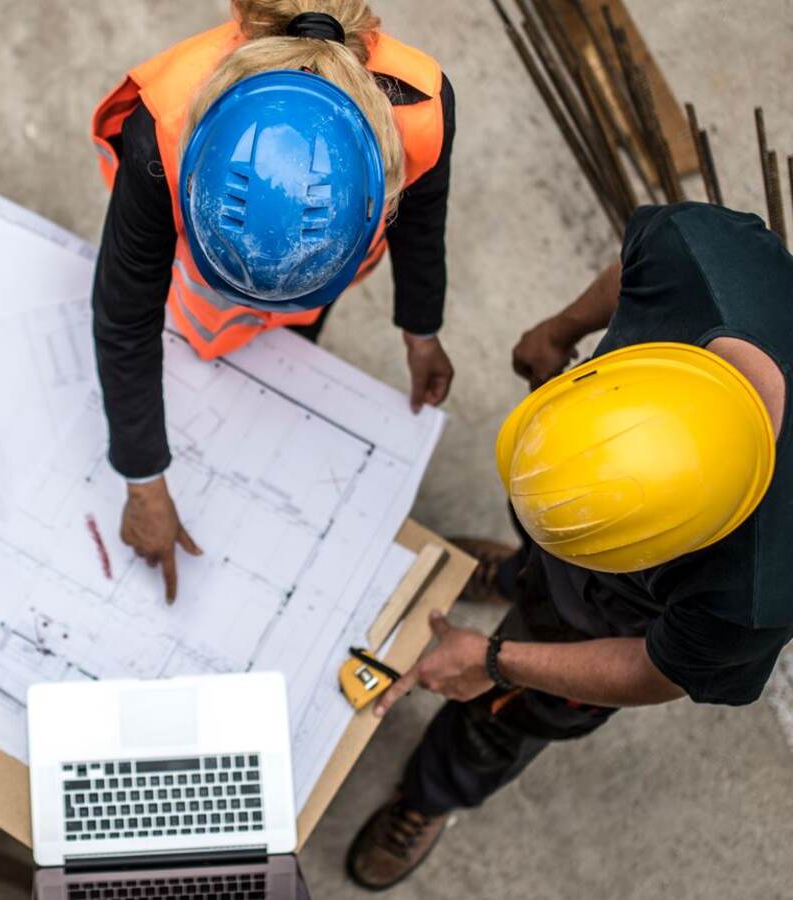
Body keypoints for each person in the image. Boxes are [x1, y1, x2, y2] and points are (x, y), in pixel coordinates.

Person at [345, 201, 793, 890]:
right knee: (546, 558)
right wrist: (561, 330)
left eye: (590, 547)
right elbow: (635, 270)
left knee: (510, 715)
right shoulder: (697, 256)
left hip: (619, 623)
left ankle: (431, 795)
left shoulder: (755, 590)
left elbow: (657, 670)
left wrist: (497, 661)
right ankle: (524, 572)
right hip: (610, 518)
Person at [91, 0, 457, 600]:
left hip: (318, 280)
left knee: (285, 353)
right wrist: (143, 479)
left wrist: (421, 328)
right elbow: (126, 312)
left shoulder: (421, 107)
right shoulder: (163, 128)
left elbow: (422, 221)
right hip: (202, 298)